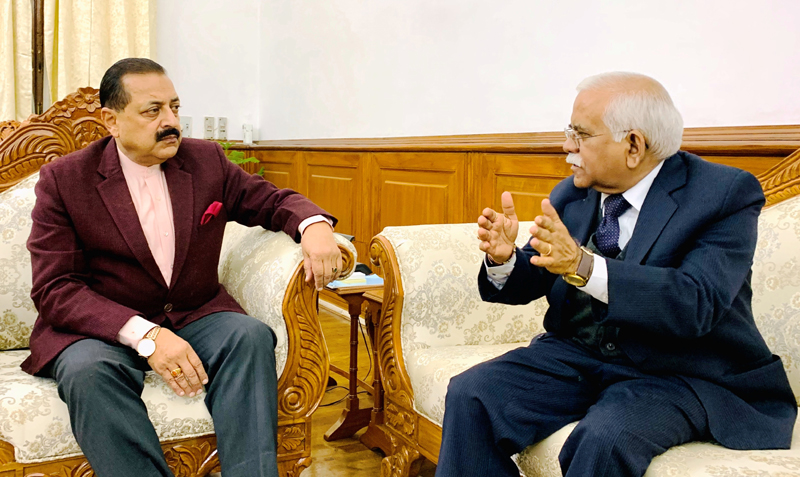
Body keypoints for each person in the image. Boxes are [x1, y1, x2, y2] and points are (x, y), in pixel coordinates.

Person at [436, 72, 796, 477]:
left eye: (580, 134)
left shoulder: (723, 195)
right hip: (580, 356)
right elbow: (541, 272)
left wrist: (583, 266)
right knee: (472, 394)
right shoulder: (573, 193)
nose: (566, 146)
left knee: (604, 440)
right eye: (568, 131)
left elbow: (696, 302)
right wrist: (505, 260)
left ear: (633, 145)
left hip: (680, 373)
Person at [22, 57, 342, 477]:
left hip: (193, 312)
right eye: (153, 111)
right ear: (111, 121)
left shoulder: (205, 160)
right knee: (86, 372)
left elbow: (271, 200)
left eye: (174, 107)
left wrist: (314, 226)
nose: (171, 121)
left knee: (249, 337)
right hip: (102, 326)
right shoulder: (65, 180)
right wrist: (149, 336)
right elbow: (55, 287)